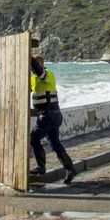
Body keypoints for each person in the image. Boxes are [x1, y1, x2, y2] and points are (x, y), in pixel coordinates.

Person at [30, 54, 76, 184]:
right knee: (55, 144)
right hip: (51, 116)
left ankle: (41, 167)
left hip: (48, 116)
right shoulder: (34, 78)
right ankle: (70, 169)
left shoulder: (48, 74)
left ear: (42, 64)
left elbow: (39, 71)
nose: (33, 68)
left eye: (36, 65)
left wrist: (30, 57)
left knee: (33, 138)